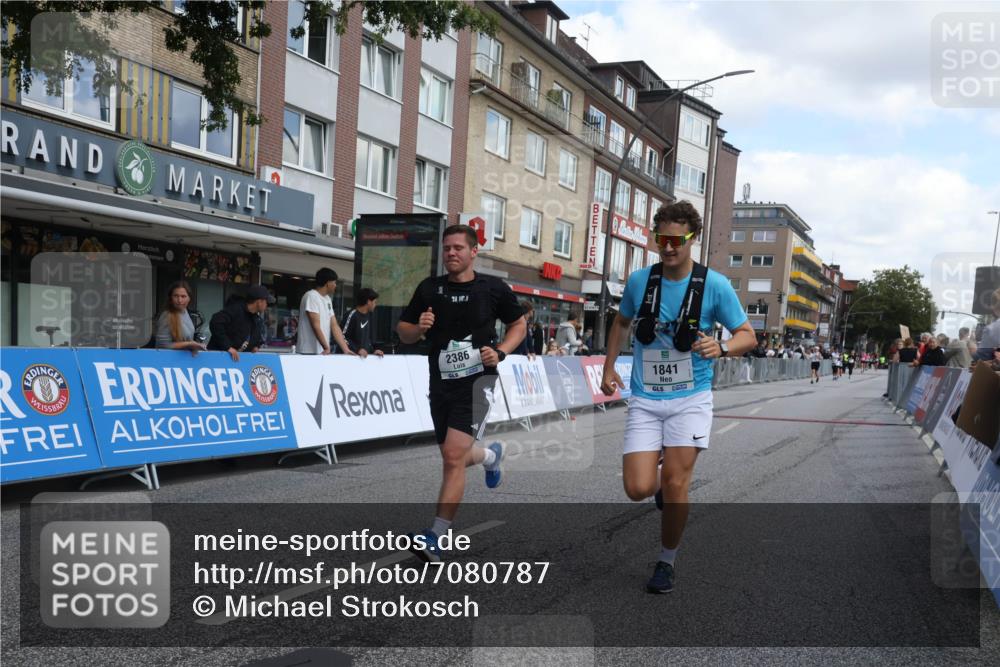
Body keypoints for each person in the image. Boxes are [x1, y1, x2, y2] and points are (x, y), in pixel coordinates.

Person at [600, 200, 756, 594]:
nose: (668, 247)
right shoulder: (640, 282)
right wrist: (608, 367)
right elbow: (620, 323)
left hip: (691, 399)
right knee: (637, 488)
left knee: (675, 484)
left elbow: (748, 336)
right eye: (662, 239)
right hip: (646, 400)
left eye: (677, 240)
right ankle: (661, 488)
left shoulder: (714, 285)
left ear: (693, 239)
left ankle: (666, 561)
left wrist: (722, 347)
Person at [396, 224, 525, 562]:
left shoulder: (493, 288)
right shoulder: (429, 289)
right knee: (453, 456)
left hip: (478, 382)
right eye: (447, 248)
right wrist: (418, 327)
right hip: (440, 383)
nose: (451, 253)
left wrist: (501, 352)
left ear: (473, 252)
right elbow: (404, 332)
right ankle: (491, 456)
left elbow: (519, 323)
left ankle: (435, 536)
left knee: (453, 457)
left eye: (458, 248)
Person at [296, 268, 354, 356]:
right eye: (334, 282)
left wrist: (345, 349)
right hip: (308, 351)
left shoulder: (327, 299)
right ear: (328, 283)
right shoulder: (311, 296)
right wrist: (326, 347)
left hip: (322, 351)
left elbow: (334, 326)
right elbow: (315, 325)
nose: (335, 285)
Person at [207, 286, 272, 362]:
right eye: (266, 302)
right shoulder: (235, 309)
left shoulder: (256, 319)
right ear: (259, 302)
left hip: (235, 362)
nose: (267, 305)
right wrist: (228, 347)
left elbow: (255, 338)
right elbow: (215, 322)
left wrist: (256, 346)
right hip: (216, 358)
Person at [154, 281, 206, 354]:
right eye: (176, 296)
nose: (179, 300)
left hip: (183, 362)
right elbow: (162, 345)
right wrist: (189, 344)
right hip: (169, 363)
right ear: (170, 298)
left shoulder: (185, 312)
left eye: (183, 296)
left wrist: (195, 345)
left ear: (189, 298)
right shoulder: (167, 316)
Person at [342, 287, 383, 358]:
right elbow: (342, 336)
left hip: (363, 360)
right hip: (349, 359)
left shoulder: (369, 316)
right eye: (375, 302)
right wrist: (357, 349)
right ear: (368, 302)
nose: (375, 305)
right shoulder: (352, 315)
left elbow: (367, 341)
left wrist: (373, 351)